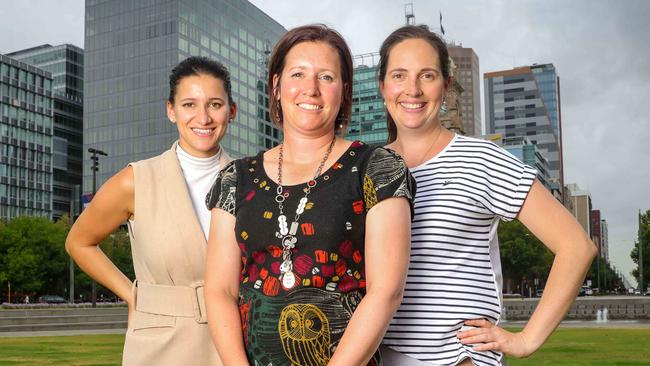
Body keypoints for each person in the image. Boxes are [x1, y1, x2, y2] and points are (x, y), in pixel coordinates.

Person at [377, 25, 597, 366]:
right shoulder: (367, 168)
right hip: (379, 356)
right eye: (399, 75)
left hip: (459, 359)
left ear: (446, 85)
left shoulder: (481, 159)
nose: (413, 89)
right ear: (383, 86)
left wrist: (526, 339)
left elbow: (577, 246)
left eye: (427, 75)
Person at [204, 24, 415, 366]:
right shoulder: (235, 178)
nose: (311, 89)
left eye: (326, 77)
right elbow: (219, 291)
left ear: (345, 91)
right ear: (276, 85)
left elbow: (386, 291)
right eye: (298, 73)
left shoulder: (377, 169)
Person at [65, 56, 236, 366]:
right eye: (189, 105)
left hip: (236, 338)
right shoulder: (137, 180)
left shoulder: (253, 179)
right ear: (170, 110)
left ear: (231, 111)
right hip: (160, 340)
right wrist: (131, 294)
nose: (203, 117)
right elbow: (78, 241)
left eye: (214, 104)